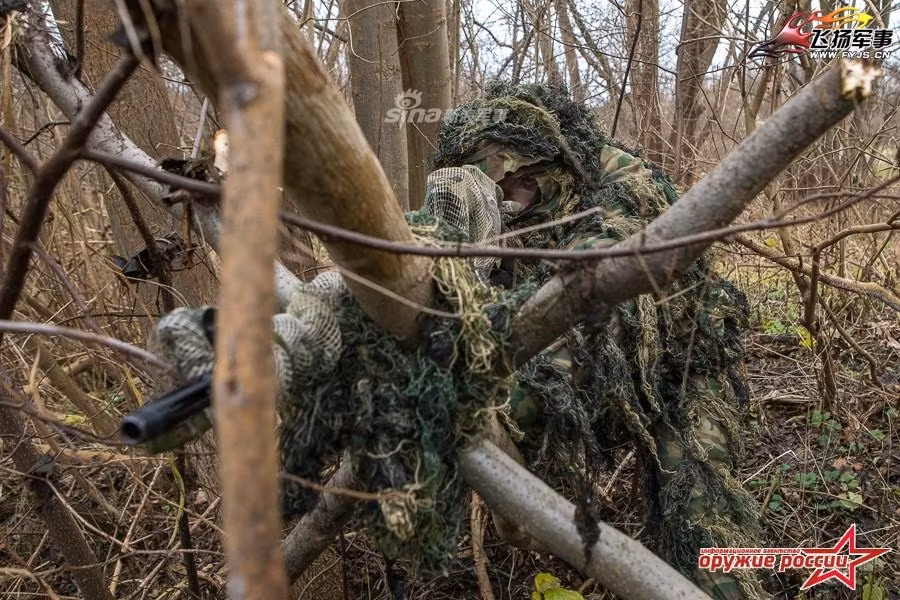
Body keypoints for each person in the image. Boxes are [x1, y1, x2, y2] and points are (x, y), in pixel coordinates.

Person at [425, 82, 765, 600]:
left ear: (550, 164)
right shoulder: (491, 212)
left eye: (523, 183)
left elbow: (602, 265)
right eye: (500, 190)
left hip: (681, 365)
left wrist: (513, 400)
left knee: (699, 511)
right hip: (577, 381)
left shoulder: (620, 177)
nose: (514, 200)